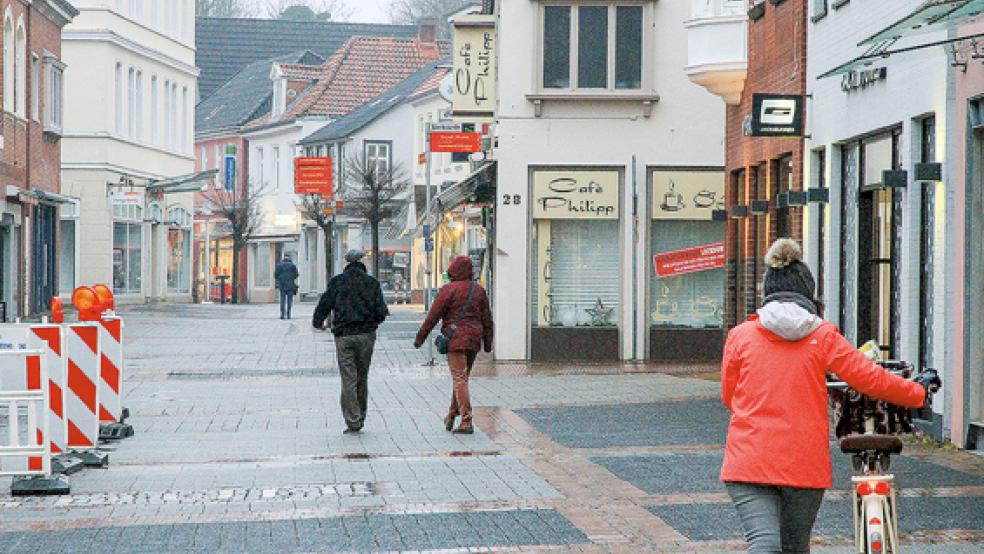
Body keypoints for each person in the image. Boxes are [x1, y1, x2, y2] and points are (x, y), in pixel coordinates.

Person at [720, 238, 941, 553]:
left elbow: (730, 396)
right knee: (795, 546)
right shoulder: (822, 336)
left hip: (749, 460)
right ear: (808, 294)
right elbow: (870, 378)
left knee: (763, 543)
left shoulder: (740, 336)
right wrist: (917, 392)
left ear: (767, 292)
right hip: (801, 464)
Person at [413, 255, 493, 434]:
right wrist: (488, 343)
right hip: (473, 340)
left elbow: (433, 316)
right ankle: (452, 414)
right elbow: (487, 319)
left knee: (459, 378)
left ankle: (466, 420)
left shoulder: (448, 290)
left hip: (455, 339)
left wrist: (420, 338)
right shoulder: (478, 290)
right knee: (462, 378)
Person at [312, 250, 389, 435]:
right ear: (362, 263)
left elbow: (324, 304)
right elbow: (381, 312)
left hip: (343, 335)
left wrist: (318, 322)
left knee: (348, 378)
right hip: (365, 335)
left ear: (346, 264)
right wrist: (371, 324)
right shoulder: (372, 283)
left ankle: (353, 420)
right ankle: (361, 415)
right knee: (362, 376)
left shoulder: (337, 282)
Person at [274, 254, 299, 319]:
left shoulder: (279, 265)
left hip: (282, 285)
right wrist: (291, 278)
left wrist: (280, 280)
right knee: (289, 300)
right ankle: (288, 313)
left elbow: (275, 275)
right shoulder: (292, 265)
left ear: (284, 258)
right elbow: (296, 274)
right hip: (290, 285)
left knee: (282, 299)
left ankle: (282, 314)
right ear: (289, 258)